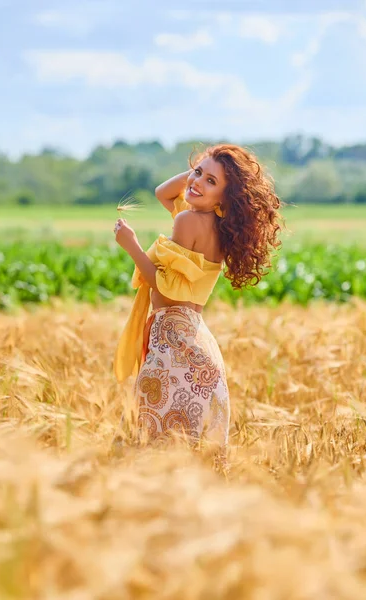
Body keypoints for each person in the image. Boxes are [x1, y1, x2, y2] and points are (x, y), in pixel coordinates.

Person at [113, 143, 283, 466]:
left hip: (174, 346)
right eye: (197, 173)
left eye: (211, 182)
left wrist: (131, 245)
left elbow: (166, 289)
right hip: (198, 343)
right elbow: (163, 192)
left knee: (147, 450)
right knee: (190, 462)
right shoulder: (219, 230)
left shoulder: (187, 222)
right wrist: (206, 172)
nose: (196, 183)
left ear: (225, 198)